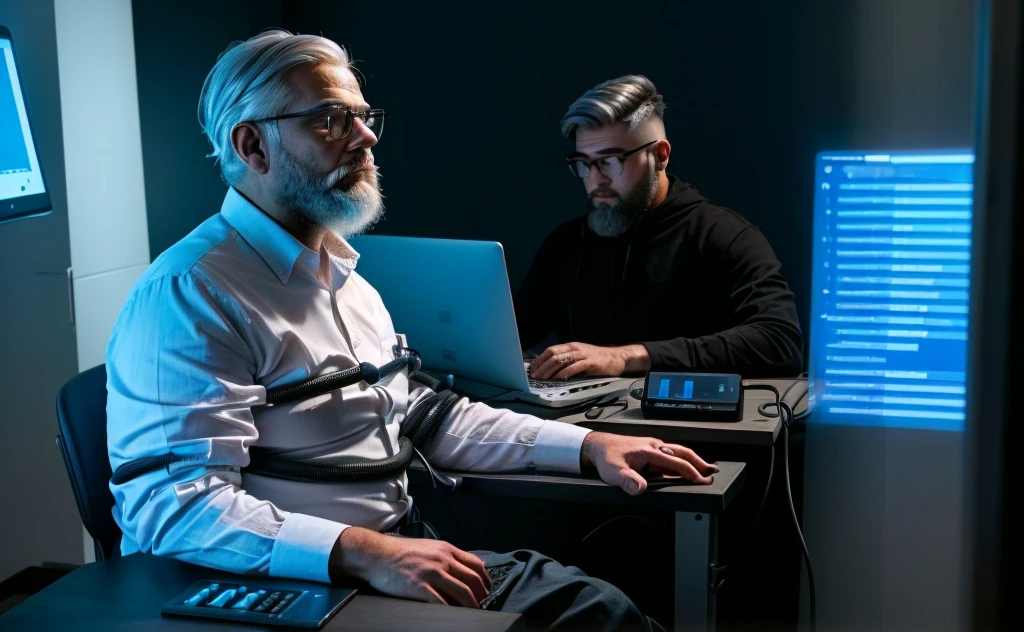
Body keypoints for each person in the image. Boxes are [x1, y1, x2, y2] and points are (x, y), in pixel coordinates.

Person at [105, 31, 718, 630]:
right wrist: (362, 551)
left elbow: (424, 417)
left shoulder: (346, 277)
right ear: (253, 145)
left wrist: (587, 447)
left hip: (386, 558)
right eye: (331, 120)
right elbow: (173, 506)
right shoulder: (190, 292)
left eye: (363, 117)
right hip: (291, 589)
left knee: (600, 609)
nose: (367, 137)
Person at [516, 75, 803, 381]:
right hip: (577, 422)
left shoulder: (724, 236)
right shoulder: (568, 243)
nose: (596, 179)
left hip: (682, 425)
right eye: (584, 163)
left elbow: (781, 343)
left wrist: (628, 357)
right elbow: (511, 335)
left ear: (660, 155)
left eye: (610, 160)